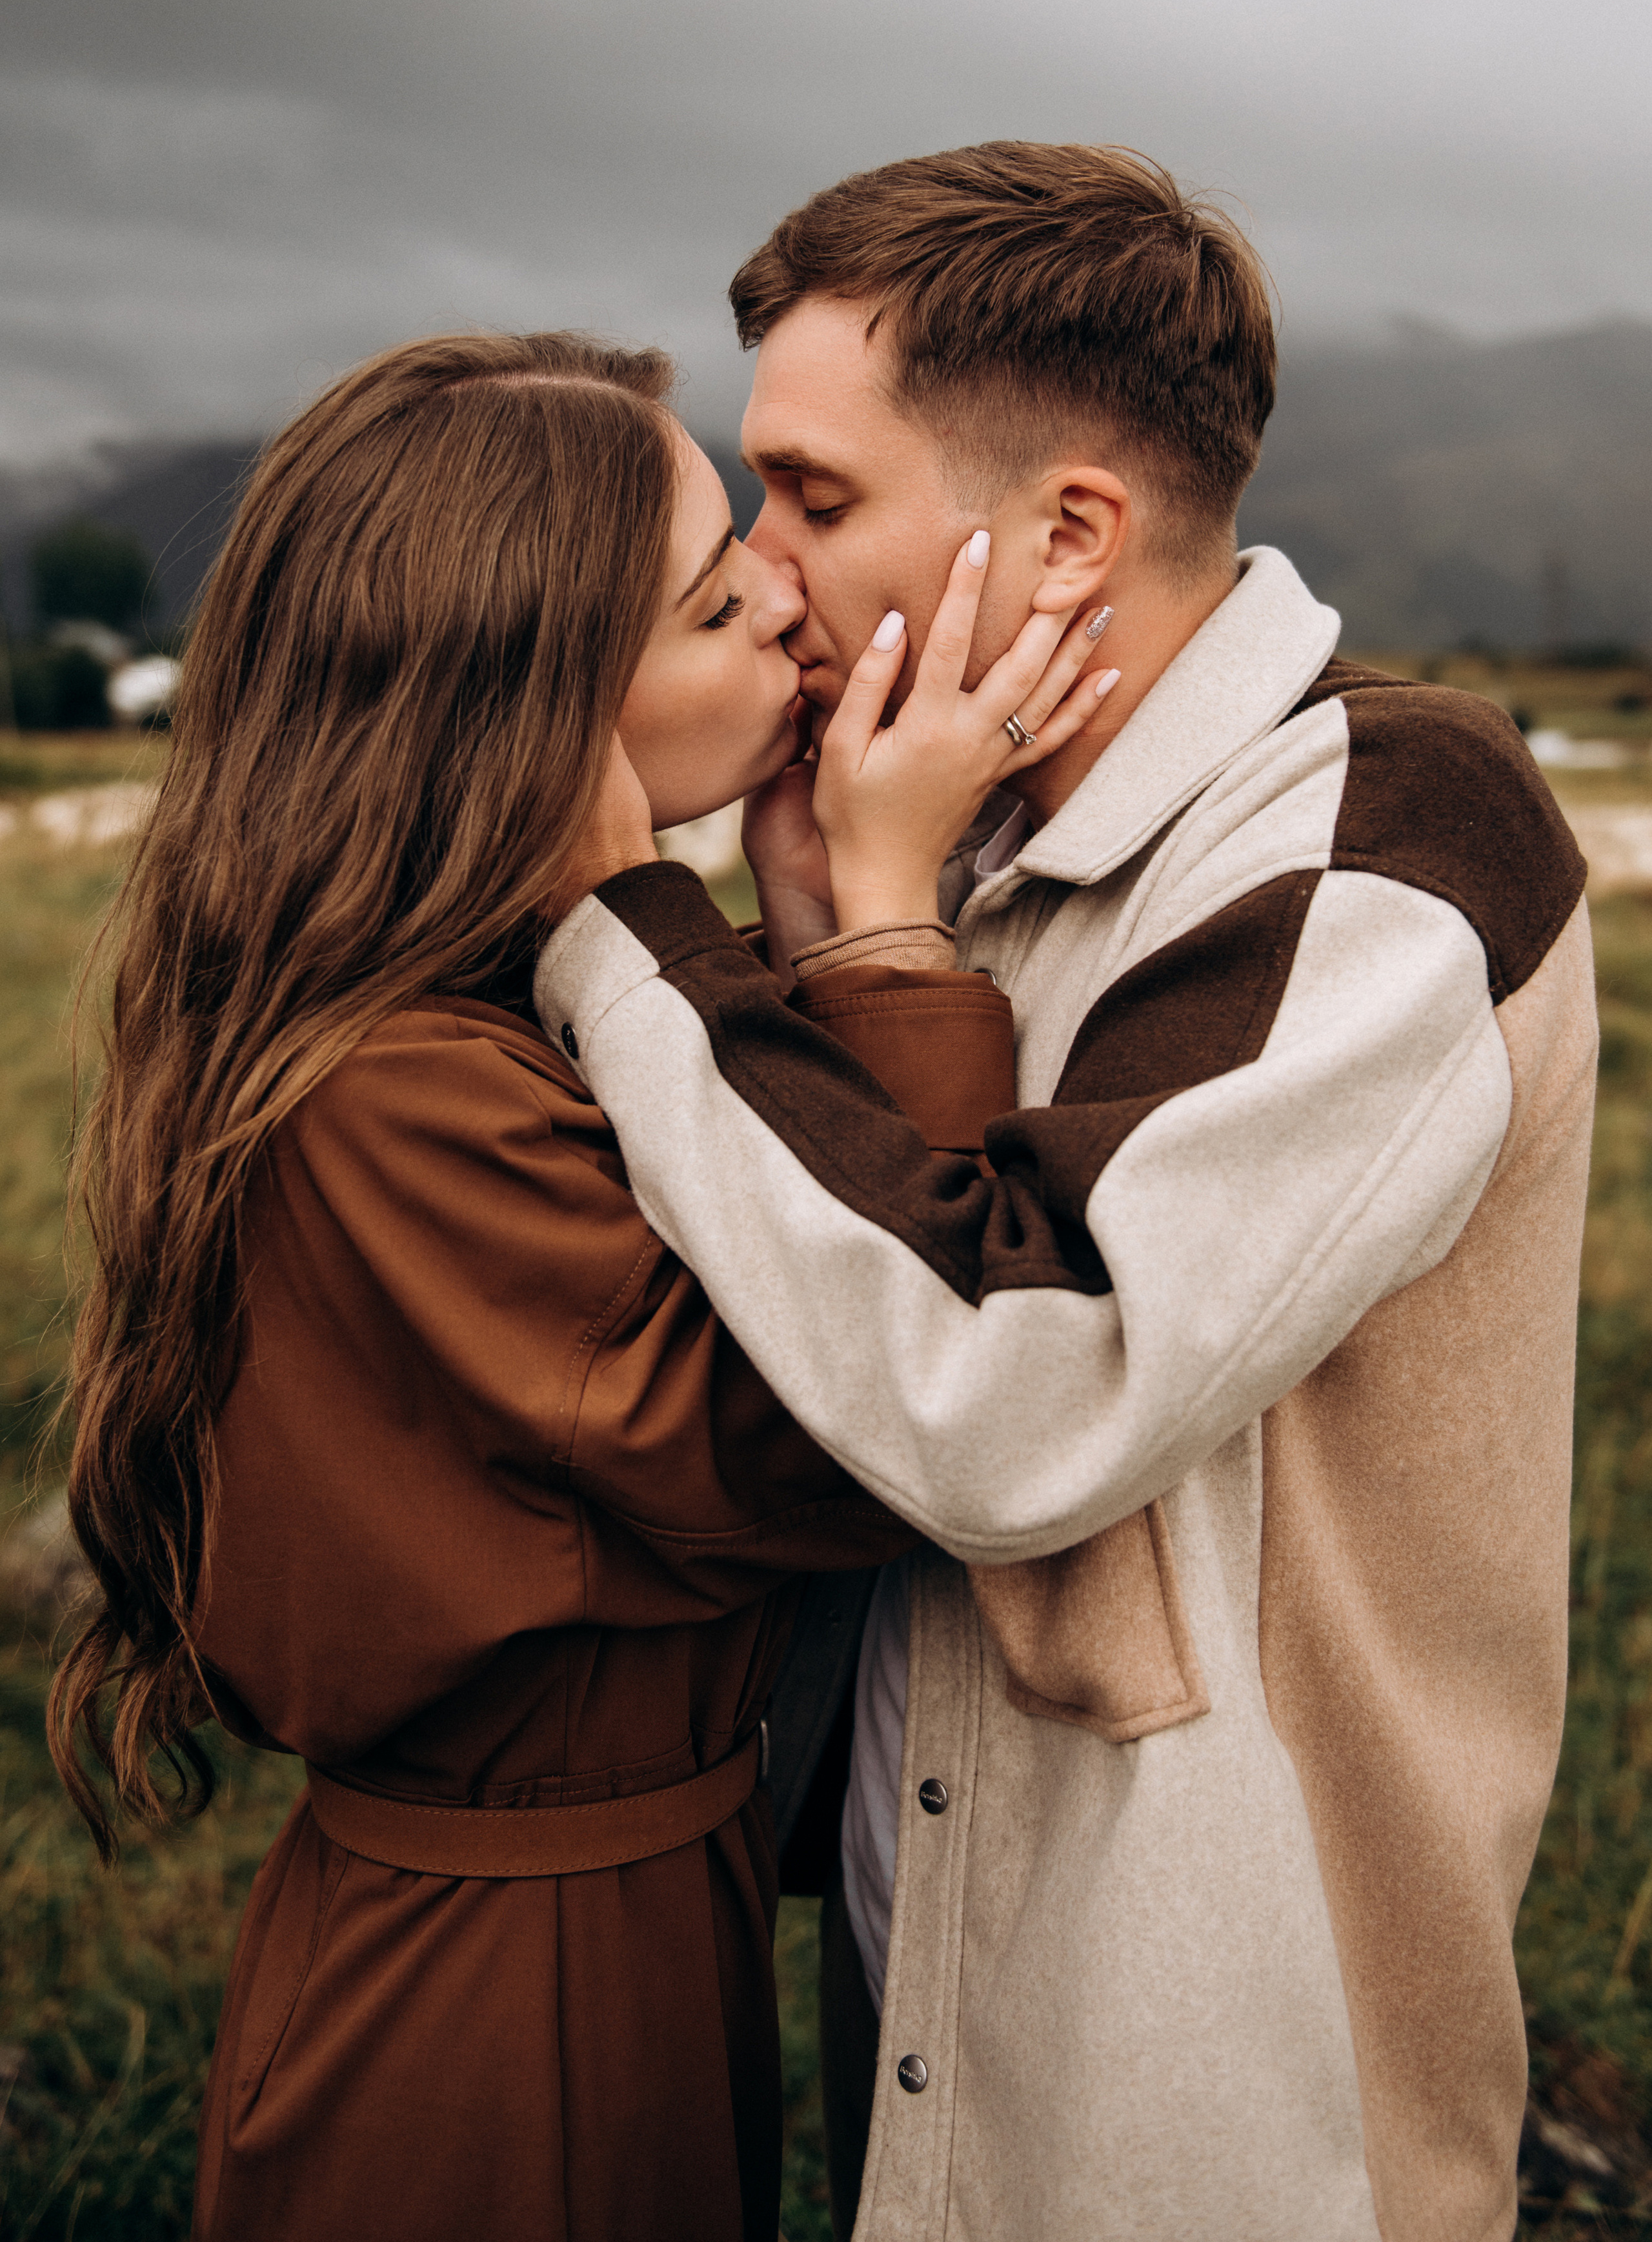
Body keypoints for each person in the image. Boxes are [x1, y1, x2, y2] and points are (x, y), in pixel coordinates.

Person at [538, 145, 1597, 2242]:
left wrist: (618, 917)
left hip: (1235, 2101)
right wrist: (854, 937)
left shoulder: (1383, 836)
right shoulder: (951, 835)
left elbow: (1022, 1384)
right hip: (935, 2007)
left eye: (815, 498)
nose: (761, 569)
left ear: (1073, 532)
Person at [45, 328, 1103, 2242]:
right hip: (497, 1989)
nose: (790, 599)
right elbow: (854, 1407)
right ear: (541, 725)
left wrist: (769, 929)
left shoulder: (487, 1020)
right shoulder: (393, 1088)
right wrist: (870, 930)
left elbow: (778, 1240)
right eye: (717, 599)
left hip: (617, 1914)